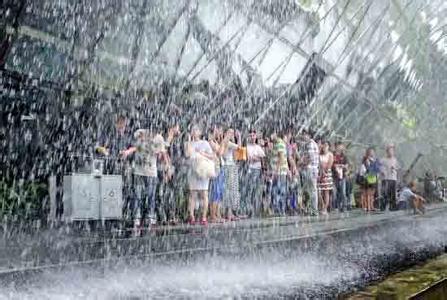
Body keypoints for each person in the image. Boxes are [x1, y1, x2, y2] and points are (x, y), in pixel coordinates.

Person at [122, 129, 167, 227]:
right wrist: (128, 151)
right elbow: (136, 147)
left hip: (151, 171)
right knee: (137, 194)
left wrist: (166, 166)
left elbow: (162, 153)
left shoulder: (159, 138)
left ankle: (150, 216)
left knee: (151, 195)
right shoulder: (139, 133)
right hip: (139, 170)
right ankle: (137, 217)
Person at [184, 125, 215, 225]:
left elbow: (212, 156)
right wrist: (188, 140)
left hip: (203, 170)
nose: (194, 131)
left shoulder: (204, 143)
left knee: (204, 193)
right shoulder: (188, 143)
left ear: (200, 132)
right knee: (192, 194)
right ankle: (191, 216)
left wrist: (202, 153)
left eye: (196, 130)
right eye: (192, 130)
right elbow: (187, 154)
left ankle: (204, 217)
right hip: (193, 171)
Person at [222, 128, 241, 220]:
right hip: (228, 167)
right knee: (230, 190)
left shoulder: (228, 143)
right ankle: (229, 213)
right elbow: (239, 148)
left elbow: (236, 156)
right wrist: (239, 138)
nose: (232, 134)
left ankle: (230, 212)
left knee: (231, 190)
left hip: (231, 166)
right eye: (230, 132)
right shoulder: (226, 142)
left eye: (232, 133)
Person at [245, 129, 266, 218]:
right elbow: (248, 158)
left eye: (254, 135)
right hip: (250, 169)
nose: (252, 137)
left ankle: (255, 209)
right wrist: (256, 158)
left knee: (256, 190)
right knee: (249, 189)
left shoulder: (258, 147)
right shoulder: (246, 147)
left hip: (257, 170)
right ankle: (249, 209)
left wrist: (256, 158)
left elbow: (262, 158)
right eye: (251, 136)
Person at [300, 129, 320, 215]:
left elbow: (310, 159)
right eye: (303, 135)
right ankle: (312, 209)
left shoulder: (311, 145)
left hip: (310, 169)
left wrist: (302, 164)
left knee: (311, 189)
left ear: (309, 135)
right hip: (312, 169)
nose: (303, 137)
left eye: (305, 135)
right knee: (311, 189)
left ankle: (314, 210)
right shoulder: (310, 144)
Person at [208, 125, 225, 223]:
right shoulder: (210, 142)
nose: (219, 132)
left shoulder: (216, 142)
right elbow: (220, 152)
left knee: (219, 192)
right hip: (215, 168)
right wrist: (224, 140)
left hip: (220, 167)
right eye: (218, 130)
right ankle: (213, 215)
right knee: (215, 191)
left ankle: (218, 214)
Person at [270, 132, 289, 216]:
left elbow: (281, 158)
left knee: (278, 190)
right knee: (279, 190)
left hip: (279, 172)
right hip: (281, 171)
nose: (270, 137)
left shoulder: (280, 143)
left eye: (271, 134)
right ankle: (279, 210)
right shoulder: (278, 143)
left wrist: (276, 171)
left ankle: (279, 210)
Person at [359, 147, 380, 212]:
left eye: (373, 152)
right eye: (370, 152)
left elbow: (377, 168)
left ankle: (371, 206)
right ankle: (368, 206)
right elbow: (364, 170)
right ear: (368, 153)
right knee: (368, 193)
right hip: (368, 178)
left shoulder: (375, 160)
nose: (372, 153)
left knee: (372, 193)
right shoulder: (366, 160)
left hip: (374, 178)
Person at [380, 144, 400, 211]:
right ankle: (383, 207)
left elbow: (398, 167)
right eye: (389, 151)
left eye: (392, 151)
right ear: (387, 151)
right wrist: (383, 171)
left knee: (393, 193)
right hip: (385, 179)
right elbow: (379, 167)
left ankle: (393, 207)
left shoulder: (395, 160)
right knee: (385, 193)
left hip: (393, 178)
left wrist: (395, 168)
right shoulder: (383, 160)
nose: (391, 152)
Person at [333, 142, 350, 212]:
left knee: (343, 191)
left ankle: (344, 205)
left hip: (342, 176)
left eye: (341, 147)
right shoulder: (333, 155)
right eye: (338, 147)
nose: (340, 148)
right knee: (335, 192)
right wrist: (335, 166)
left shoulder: (344, 156)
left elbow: (347, 165)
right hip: (334, 176)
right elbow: (332, 164)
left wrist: (343, 166)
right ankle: (336, 205)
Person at [318, 141, 334, 215]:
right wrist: (321, 171)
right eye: (323, 145)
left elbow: (330, 164)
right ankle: (322, 205)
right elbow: (318, 164)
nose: (324, 147)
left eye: (326, 145)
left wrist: (325, 172)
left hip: (327, 174)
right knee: (319, 191)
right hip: (320, 174)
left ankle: (325, 208)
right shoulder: (319, 155)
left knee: (326, 192)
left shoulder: (330, 155)